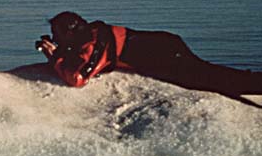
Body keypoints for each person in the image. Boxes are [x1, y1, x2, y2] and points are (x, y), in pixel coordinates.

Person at [36, 11, 262, 104]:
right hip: (163, 45)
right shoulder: (89, 35)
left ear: (69, 32)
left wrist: (55, 57)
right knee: (211, 75)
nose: (55, 39)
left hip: (165, 54)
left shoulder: (96, 43)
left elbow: (78, 79)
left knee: (209, 80)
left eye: (58, 35)